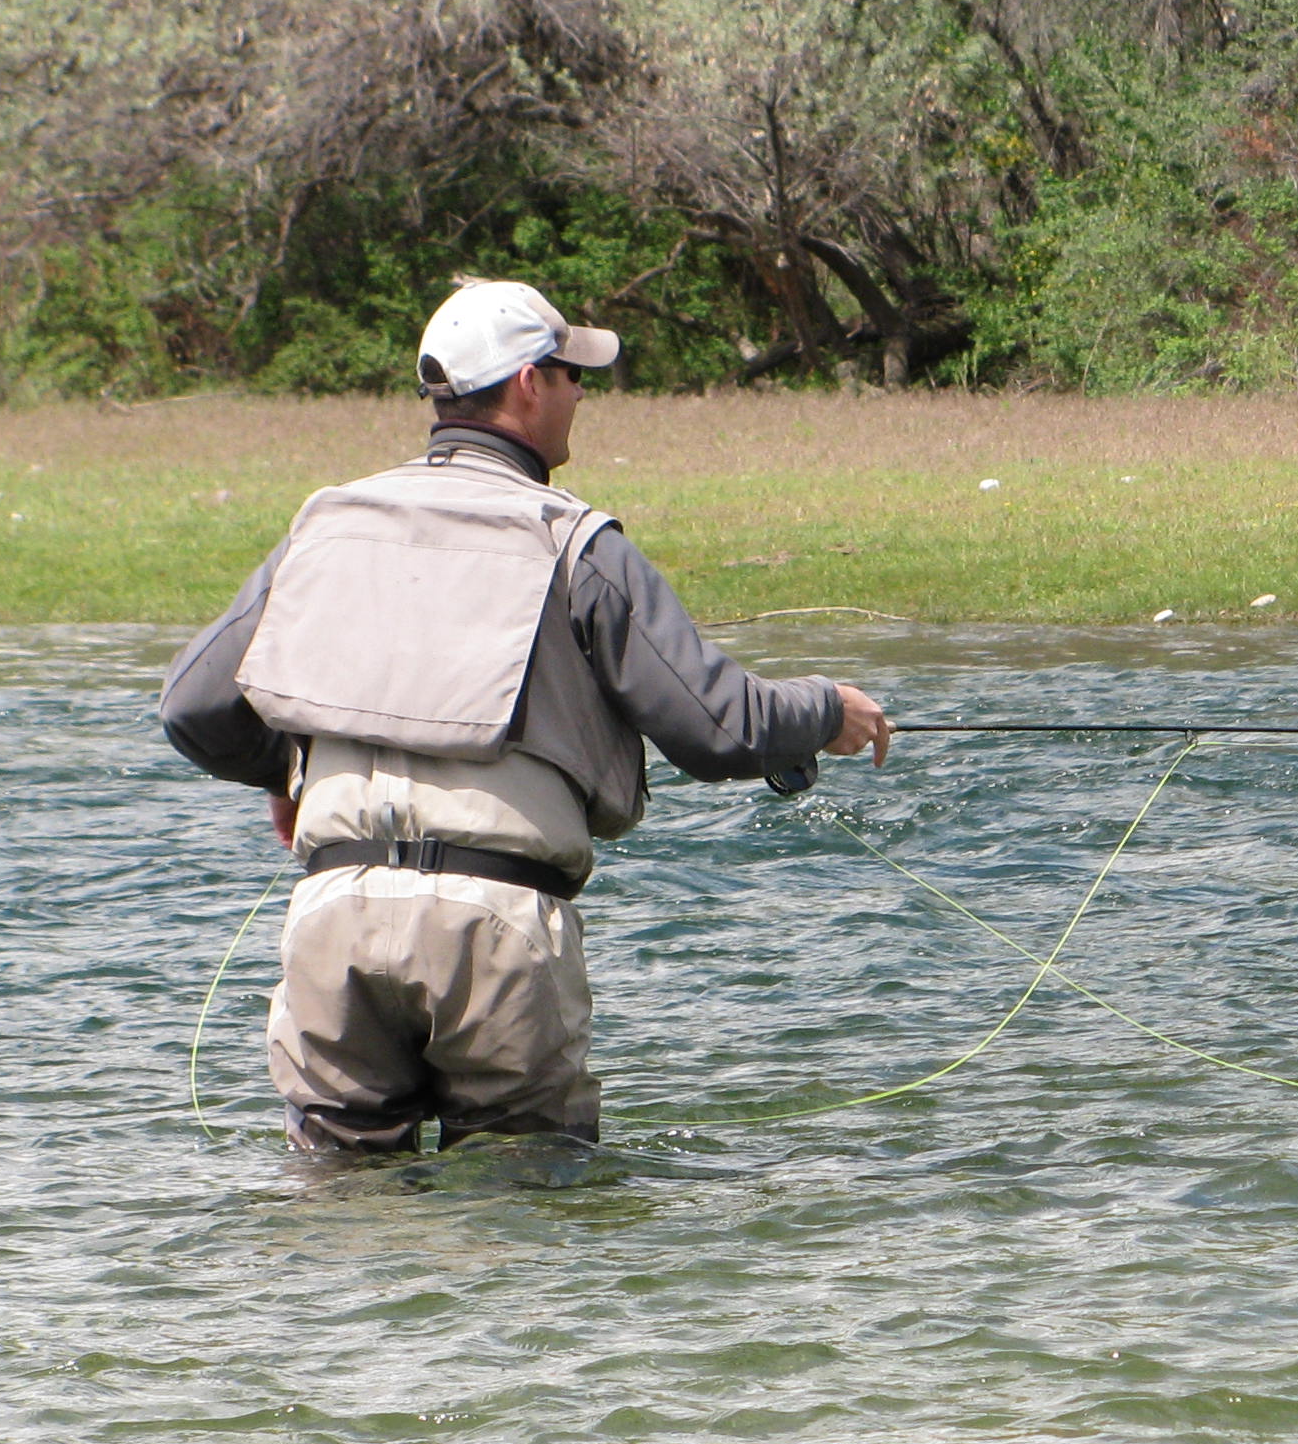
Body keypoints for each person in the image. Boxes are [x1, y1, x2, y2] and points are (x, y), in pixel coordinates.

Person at [160, 278, 892, 1152]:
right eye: (570, 373)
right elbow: (718, 726)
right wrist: (823, 709)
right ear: (527, 385)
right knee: (530, 1222)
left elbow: (194, 707)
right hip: (498, 925)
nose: (582, 393)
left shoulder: (323, 525)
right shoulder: (576, 541)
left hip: (333, 917)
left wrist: (292, 771)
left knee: (338, 1222)